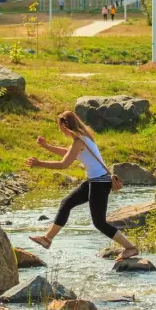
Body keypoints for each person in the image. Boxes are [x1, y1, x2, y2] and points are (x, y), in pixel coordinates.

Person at [27, 111, 140, 262]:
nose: (60, 130)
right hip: (95, 180)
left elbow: (64, 164)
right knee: (66, 203)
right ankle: (47, 239)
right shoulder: (83, 138)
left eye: (60, 126)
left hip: (99, 183)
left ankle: (130, 248)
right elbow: (67, 152)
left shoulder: (79, 141)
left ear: (65, 126)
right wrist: (46, 146)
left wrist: (39, 163)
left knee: (99, 223)